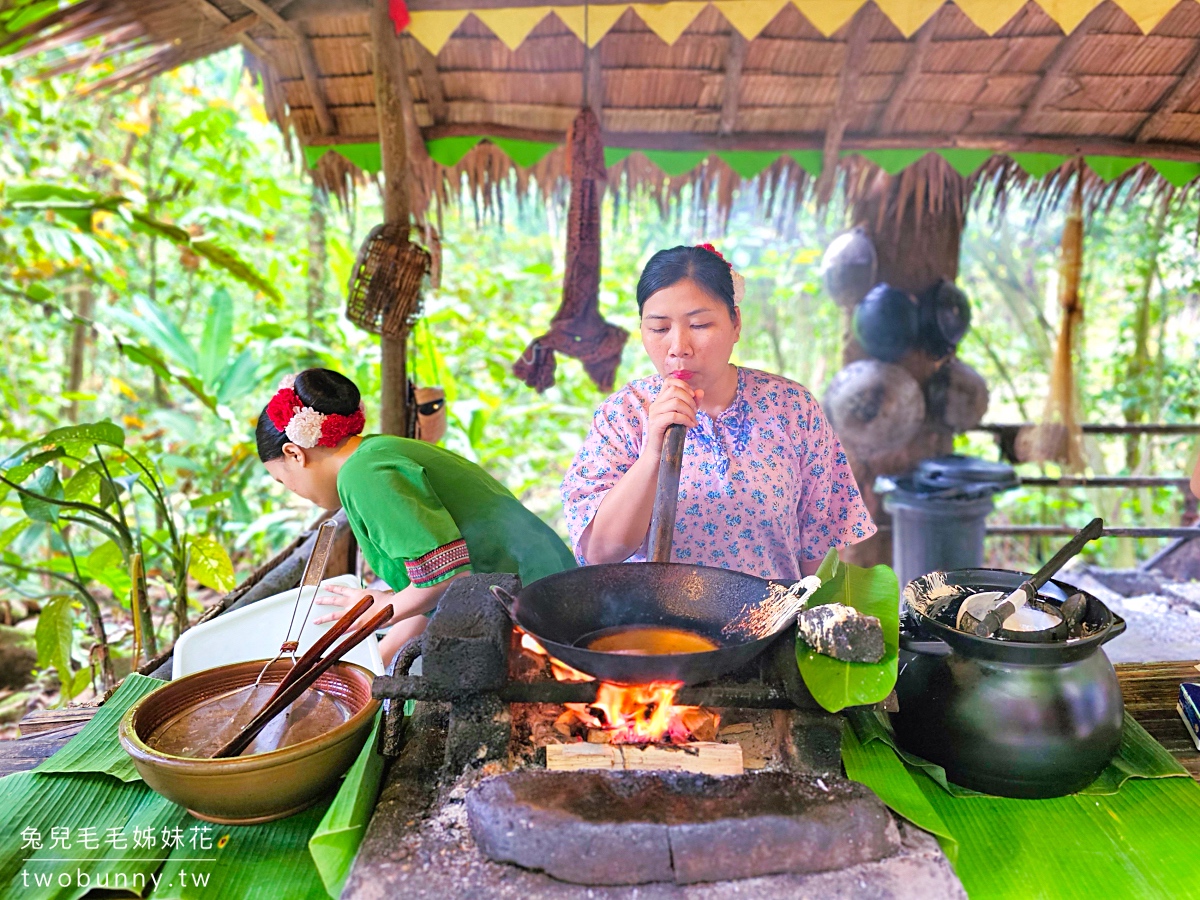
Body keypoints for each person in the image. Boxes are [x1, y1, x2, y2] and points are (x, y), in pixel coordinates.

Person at [561, 243, 875, 579]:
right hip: (655, 627)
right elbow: (599, 552)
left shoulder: (792, 409)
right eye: (659, 329)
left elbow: (822, 552)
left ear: (735, 323)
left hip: (771, 627)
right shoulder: (623, 416)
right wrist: (652, 452)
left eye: (699, 325)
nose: (679, 348)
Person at [256, 368, 576, 663]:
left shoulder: (362, 475)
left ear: (294, 453)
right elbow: (426, 595)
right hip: (551, 590)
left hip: (540, 611)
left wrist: (382, 607)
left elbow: (445, 578)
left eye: (282, 481)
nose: (292, 490)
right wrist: (376, 659)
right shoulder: (376, 453)